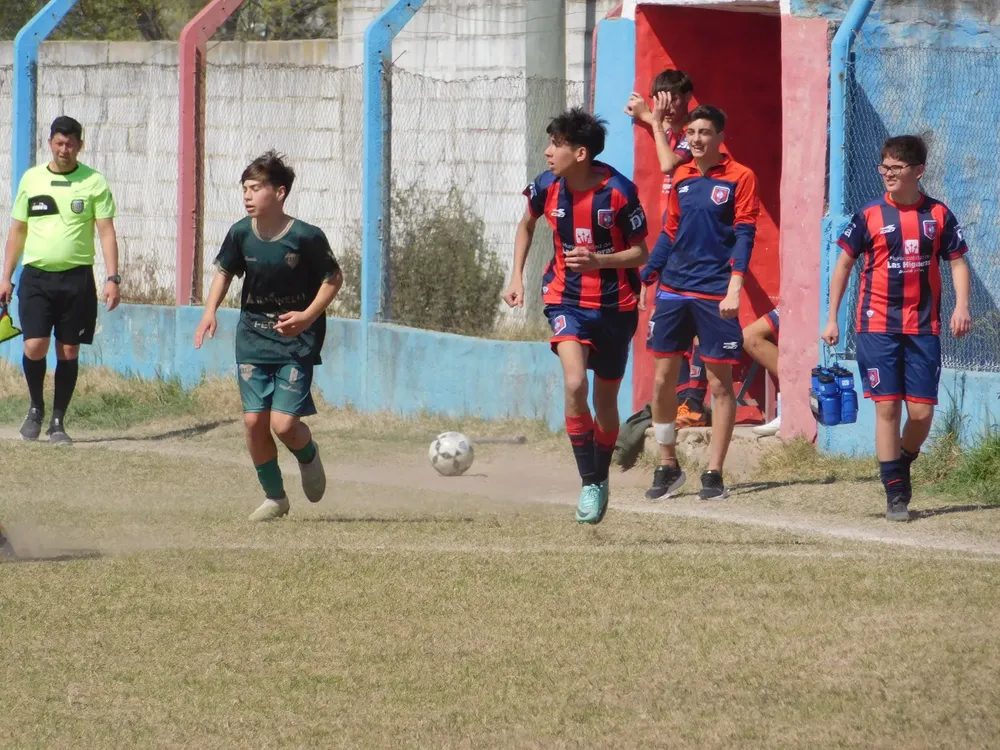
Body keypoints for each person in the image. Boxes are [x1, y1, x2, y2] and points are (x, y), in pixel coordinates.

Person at [503, 107, 649, 525]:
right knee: (572, 383)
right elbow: (526, 225)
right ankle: (589, 480)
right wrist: (517, 276)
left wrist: (601, 262)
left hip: (615, 307)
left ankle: (598, 475)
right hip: (565, 301)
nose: (548, 151)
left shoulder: (619, 192)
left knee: (605, 404)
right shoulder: (546, 186)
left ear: (581, 153)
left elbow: (642, 252)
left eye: (557, 144)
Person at [824, 135, 971, 522]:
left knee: (921, 414)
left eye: (896, 168)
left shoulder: (938, 215)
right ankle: (894, 492)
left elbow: (956, 261)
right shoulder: (869, 215)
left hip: (924, 326)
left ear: (918, 172)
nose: (887, 174)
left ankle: (902, 462)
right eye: (884, 167)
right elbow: (843, 264)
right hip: (876, 325)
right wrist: (832, 317)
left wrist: (962, 306)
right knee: (886, 406)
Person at [194, 151, 343, 522]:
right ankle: (275, 497)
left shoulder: (307, 236)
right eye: (244, 188)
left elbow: (333, 279)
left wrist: (307, 317)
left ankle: (307, 455)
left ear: (279, 193)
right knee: (253, 422)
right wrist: (209, 311)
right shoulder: (241, 233)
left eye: (255, 188)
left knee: (284, 424)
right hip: (252, 337)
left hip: (296, 340)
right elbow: (224, 272)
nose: (247, 195)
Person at [639, 105, 760, 501]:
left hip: (715, 292)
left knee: (717, 384)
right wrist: (648, 276)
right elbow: (670, 231)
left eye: (704, 132)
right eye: (690, 132)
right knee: (662, 382)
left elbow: (744, 234)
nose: (695, 139)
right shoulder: (682, 176)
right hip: (674, 288)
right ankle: (667, 465)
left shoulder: (741, 177)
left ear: (720, 137)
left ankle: (714, 472)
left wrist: (735, 285)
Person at [0, 116, 120, 445]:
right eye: (58, 142)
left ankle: (57, 421)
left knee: (68, 350)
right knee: (34, 346)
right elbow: (17, 230)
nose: (64, 149)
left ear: (80, 145)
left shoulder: (94, 182)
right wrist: (5, 276)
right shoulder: (32, 180)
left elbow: (107, 232)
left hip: (77, 278)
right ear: (50, 143)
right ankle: (36, 407)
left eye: (70, 143)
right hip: (36, 277)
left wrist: (113, 277)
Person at [625, 69, 712, 429]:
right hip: (673, 243)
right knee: (668, 329)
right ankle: (682, 402)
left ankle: (693, 402)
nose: (667, 105)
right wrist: (650, 118)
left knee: (700, 330)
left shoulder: (693, 132)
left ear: (684, 97)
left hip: (697, 248)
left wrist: (653, 120)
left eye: (671, 98)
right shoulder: (675, 131)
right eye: (660, 97)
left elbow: (666, 163)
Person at [744, 306, 781, 436]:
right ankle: (790, 407)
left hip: (816, 299)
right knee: (749, 337)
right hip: (792, 300)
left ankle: (793, 409)